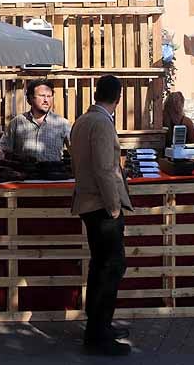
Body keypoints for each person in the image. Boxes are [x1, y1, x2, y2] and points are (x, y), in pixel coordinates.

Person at [69, 74, 132, 356]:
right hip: (102, 206)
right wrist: (115, 207)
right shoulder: (102, 124)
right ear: (118, 97)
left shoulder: (82, 121)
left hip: (88, 203)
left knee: (100, 268)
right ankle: (98, 335)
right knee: (111, 268)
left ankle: (99, 327)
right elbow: (106, 170)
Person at [0, 79, 70, 163]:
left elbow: (76, 151)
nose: (46, 100)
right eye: (42, 96)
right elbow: (1, 149)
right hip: (24, 174)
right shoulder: (18, 122)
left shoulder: (62, 124)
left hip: (53, 174)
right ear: (30, 98)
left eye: (49, 96)